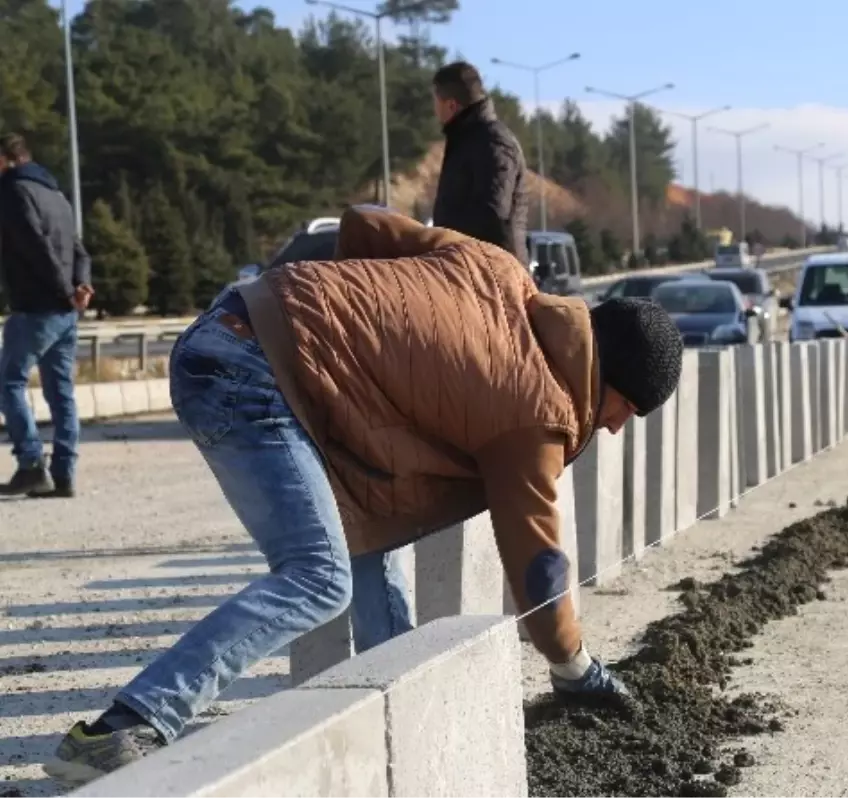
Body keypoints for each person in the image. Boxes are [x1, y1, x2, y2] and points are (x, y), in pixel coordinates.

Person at [45, 205, 684, 787]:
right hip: (250, 376)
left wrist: (352, 328)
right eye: (626, 408)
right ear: (607, 376)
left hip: (240, 323)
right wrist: (574, 666)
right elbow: (539, 567)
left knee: (372, 533)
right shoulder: (539, 412)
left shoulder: (497, 268)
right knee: (319, 579)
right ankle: (124, 727)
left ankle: (398, 699)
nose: (615, 427)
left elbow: (365, 224)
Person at [0, 133, 93, 498]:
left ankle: (31, 465)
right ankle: (65, 473)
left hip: (38, 306)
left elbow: (35, 247)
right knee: (61, 392)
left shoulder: (12, 190)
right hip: (66, 312)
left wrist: (64, 290)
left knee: (9, 382)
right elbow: (79, 250)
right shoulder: (55, 194)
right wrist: (80, 286)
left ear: (6, 159)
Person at [431, 61, 529, 265]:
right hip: (471, 269)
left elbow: (492, 212)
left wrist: (442, 239)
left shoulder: (492, 142)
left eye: (436, 101)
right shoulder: (466, 140)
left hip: (495, 277)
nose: (434, 110)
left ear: (451, 105)